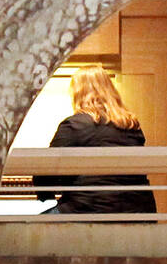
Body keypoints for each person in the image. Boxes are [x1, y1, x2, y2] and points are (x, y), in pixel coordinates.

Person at [34, 65, 157, 215]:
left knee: (26, 232)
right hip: (138, 211)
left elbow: (45, 173)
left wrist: (45, 194)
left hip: (87, 211)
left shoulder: (74, 125)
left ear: (78, 93)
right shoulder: (131, 126)